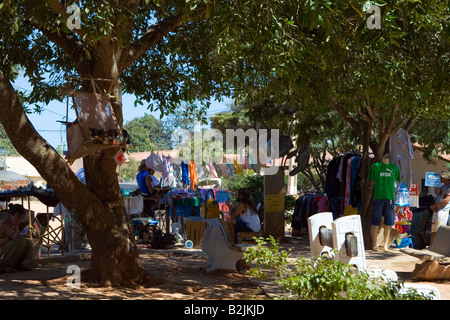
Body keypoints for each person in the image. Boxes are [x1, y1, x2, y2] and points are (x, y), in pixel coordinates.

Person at [369, 153, 401, 252]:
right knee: (375, 222)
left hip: (390, 198)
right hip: (378, 197)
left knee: (389, 223)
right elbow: (371, 179)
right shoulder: (375, 167)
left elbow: (398, 180)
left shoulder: (395, 168)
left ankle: (385, 246)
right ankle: (375, 245)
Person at [0, 204, 33, 272]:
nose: (19, 220)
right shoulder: (3, 225)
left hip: (8, 251)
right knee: (21, 241)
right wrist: (10, 238)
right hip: (2, 254)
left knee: (28, 242)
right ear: (10, 215)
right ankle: (3, 266)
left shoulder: (16, 225)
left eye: (21, 218)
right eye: (17, 217)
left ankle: (19, 264)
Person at [429, 170, 450, 245]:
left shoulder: (449, 188)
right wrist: (434, 207)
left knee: (439, 230)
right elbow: (438, 198)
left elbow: (446, 200)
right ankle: (431, 246)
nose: (440, 178)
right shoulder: (442, 187)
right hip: (437, 211)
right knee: (434, 230)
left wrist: (435, 206)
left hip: (443, 212)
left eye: (442, 176)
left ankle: (437, 247)